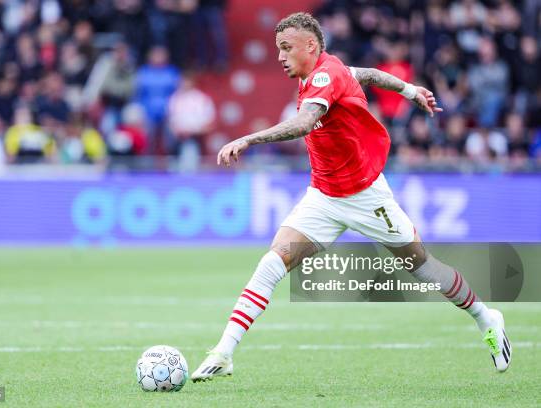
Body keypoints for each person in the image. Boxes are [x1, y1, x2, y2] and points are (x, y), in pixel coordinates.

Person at [191, 12, 511, 382]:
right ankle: (224, 352)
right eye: (278, 48)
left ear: (310, 46)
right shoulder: (329, 70)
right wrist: (410, 91)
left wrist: (248, 138)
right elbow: (371, 75)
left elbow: (304, 123)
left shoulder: (325, 77)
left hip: (365, 196)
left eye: (286, 48)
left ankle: (486, 316)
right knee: (272, 263)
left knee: (421, 266)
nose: (280, 56)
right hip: (324, 196)